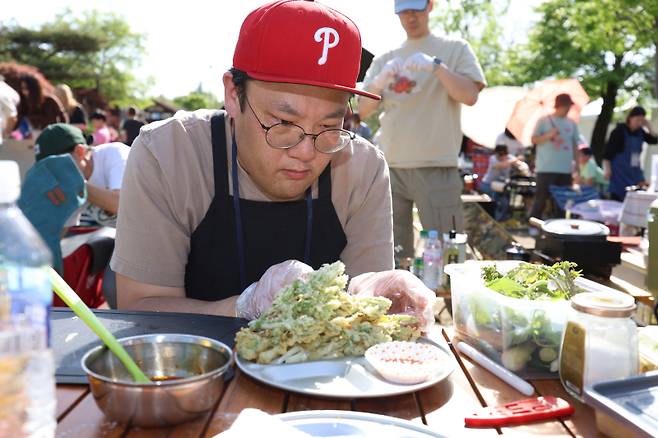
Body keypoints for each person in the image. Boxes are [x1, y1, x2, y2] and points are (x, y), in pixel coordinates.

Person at [109, 0, 411, 317]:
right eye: (282, 123)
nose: (306, 152)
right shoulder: (170, 154)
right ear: (233, 95)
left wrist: (388, 298)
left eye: (328, 126)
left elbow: (369, 302)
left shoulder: (363, 169)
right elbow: (140, 308)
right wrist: (242, 308)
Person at [358, 0, 486, 259]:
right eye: (404, 11)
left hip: (436, 165)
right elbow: (361, 110)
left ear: (429, 6)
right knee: (393, 251)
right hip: (391, 166)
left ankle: (451, 297)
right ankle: (398, 298)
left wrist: (436, 67)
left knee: (447, 251)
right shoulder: (386, 58)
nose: (410, 17)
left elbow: (470, 95)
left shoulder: (454, 49)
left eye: (416, 9)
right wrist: (379, 83)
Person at [34, 123, 129, 226]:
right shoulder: (69, 181)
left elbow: (121, 204)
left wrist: (77, 184)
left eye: (54, 166)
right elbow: (59, 233)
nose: (52, 173)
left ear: (80, 152)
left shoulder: (114, 154)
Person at [528, 93, 581, 219]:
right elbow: (534, 139)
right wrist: (548, 135)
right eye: (567, 106)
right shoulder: (543, 120)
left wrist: (577, 165)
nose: (568, 109)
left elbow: (575, 144)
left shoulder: (571, 123)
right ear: (560, 105)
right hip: (545, 168)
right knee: (541, 199)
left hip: (565, 169)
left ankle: (559, 228)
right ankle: (533, 224)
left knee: (562, 202)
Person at [603, 106, 658, 201]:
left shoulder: (641, 132)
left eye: (642, 120)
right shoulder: (619, 131)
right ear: (630, 118)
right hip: (619, 171)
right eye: (637, 120)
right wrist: (607, 169)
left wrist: (649, 126)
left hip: (635, 171)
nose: (639, 123)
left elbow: (654, 140)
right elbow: (607, 153)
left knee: (635, 199)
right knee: (618, 197)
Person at [480, 144, 526, 221]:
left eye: (505, 153)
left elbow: (521, 163)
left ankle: (501, 219)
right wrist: (515, 160)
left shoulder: (510, 158)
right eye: (501, 154)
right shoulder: (493, 158)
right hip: (488, 184)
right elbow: (499, 166)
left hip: (502, 185)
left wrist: (519, 165)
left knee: (504, 201)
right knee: (494, 202)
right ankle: (493, 218)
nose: (503, 156)